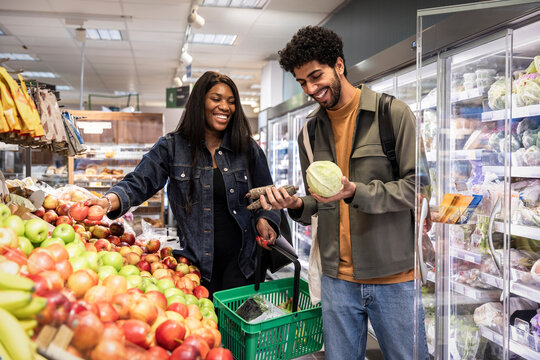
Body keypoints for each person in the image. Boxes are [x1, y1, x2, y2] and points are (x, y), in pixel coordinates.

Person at [261, 26, 430, 359]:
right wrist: (297, 204)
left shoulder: (392, 114)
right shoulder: (308, 132)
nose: (311, 89)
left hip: (393, 277)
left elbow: (418, 189)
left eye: (316, 76)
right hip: (336, 278)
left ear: (339, 65)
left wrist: (356, 192)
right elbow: (322, 202)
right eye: (302, 83)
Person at [89, 71, 280, 297]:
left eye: (231, 101)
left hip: (244, 266)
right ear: (200, 102)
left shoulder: (246, 148)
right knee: (203, 329)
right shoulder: (172, 147)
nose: (225, 107)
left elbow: (267, 194)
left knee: (241, 330)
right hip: (195, 269)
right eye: (216, 99)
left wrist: (266, 220)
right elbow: (141, 181)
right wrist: (108, 201)